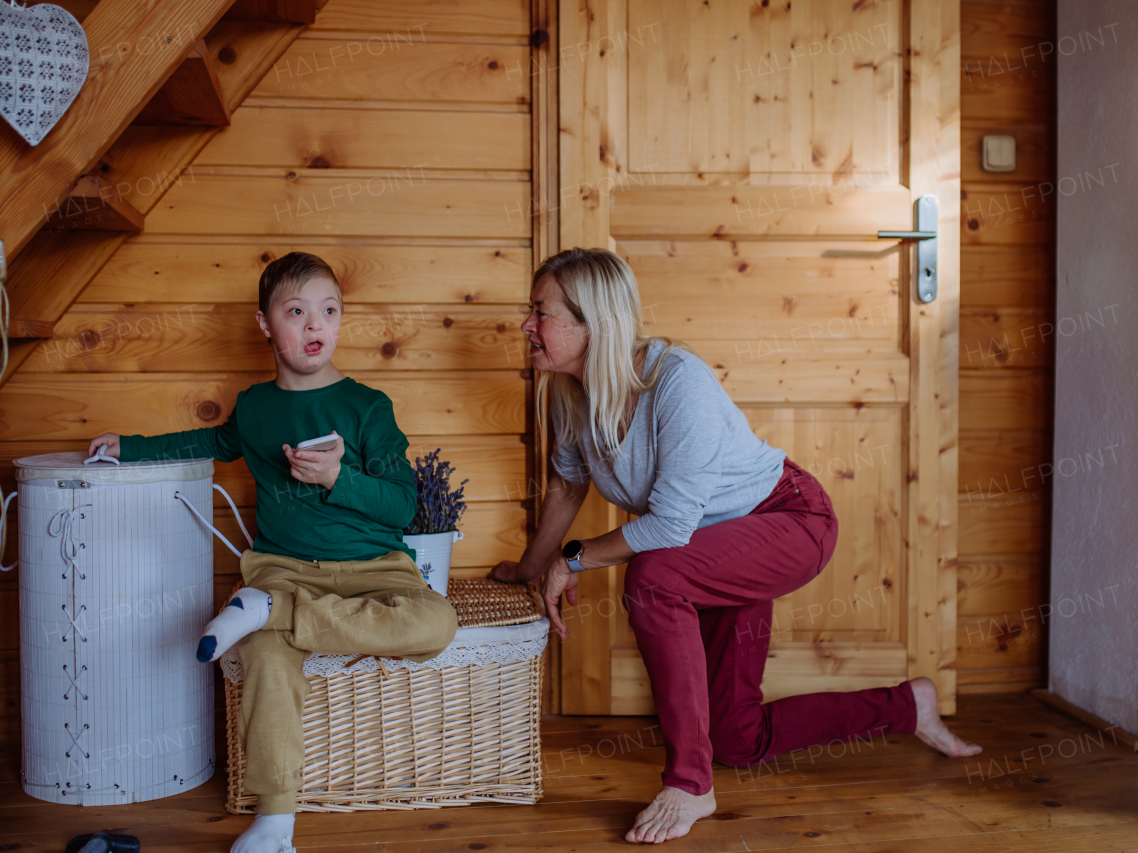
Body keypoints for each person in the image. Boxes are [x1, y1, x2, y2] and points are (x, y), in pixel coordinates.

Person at [490, 247, 981, 845]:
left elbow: (669, 528)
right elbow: (568, 488)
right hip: (713, 547)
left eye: (540, 312)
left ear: (594, 320)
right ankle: (909, 707)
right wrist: (530, 569)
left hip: (787, 520)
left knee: (653, 578)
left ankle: (690, 784)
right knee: (739, 740)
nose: (526, 325)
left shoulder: (676, 380)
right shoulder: (570, 396)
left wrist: (576, 559)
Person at [88, 252, 458, 853]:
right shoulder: (257, 406)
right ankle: (275, 822)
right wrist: (129, 447)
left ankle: (271, 611)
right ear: (265, 324)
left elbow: (402, 508)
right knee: (263, 656)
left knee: (437, 622)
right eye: (296, 312)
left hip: (375, 573)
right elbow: (210, 440)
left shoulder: (369, 407)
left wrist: (338, 477)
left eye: (329, 311)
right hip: (283, 569)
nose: (316, 326)